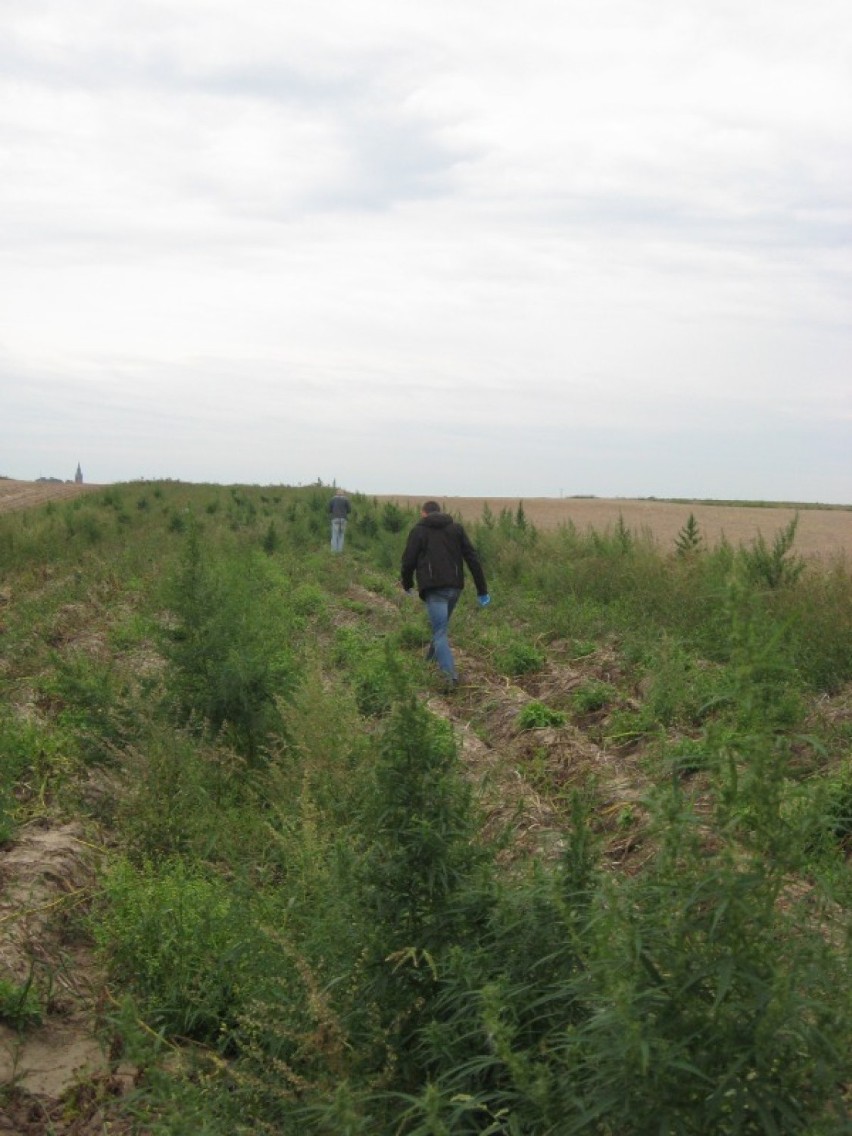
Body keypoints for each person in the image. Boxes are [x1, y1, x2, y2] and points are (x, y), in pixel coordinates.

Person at [400, 500, 490, 687]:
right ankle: (428, 663)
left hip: (434, 589)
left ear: (423, 513)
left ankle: (450, 677)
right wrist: (482, 590)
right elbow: (472, 558)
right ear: (439, 512)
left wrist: (407, 584)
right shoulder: (456, 529)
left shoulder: (419, 531)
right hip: (454, 588)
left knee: (439, 632)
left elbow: (408, 561)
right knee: (440, 628)